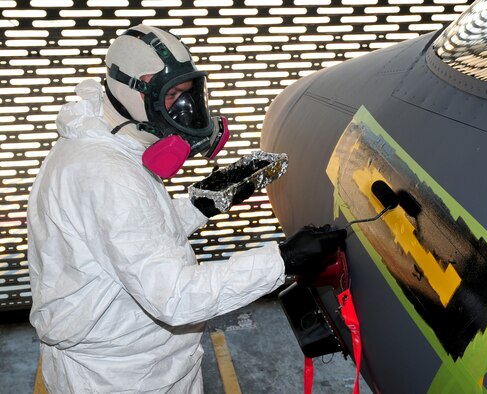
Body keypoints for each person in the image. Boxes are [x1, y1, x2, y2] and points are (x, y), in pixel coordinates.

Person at [27, 24, 346, 393]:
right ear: (135, 90)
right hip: (122, 378)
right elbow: (175, 296)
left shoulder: (105, 141)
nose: (186, 110)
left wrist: (201, 203)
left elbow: (132, 238)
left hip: (137, 358)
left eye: (190, 93)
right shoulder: (107, 176)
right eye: (172, 96)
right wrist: (283, 260)